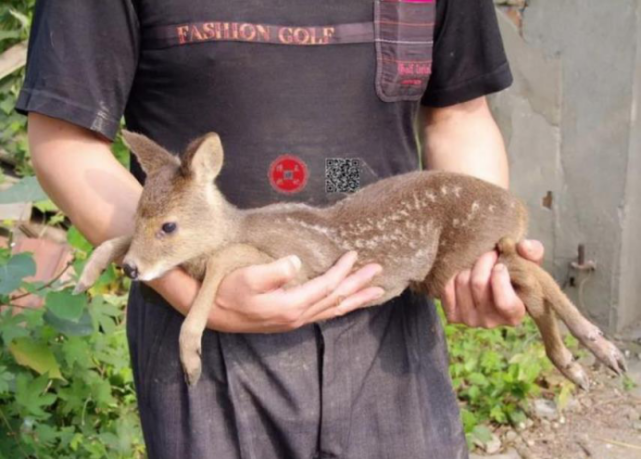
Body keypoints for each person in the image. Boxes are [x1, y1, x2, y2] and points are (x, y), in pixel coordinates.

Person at [16, 0, 544, 457]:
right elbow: (65, 138)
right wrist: (199, 298)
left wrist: (477, 267)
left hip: (389, 318)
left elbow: (458, 114)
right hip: (206, 334)